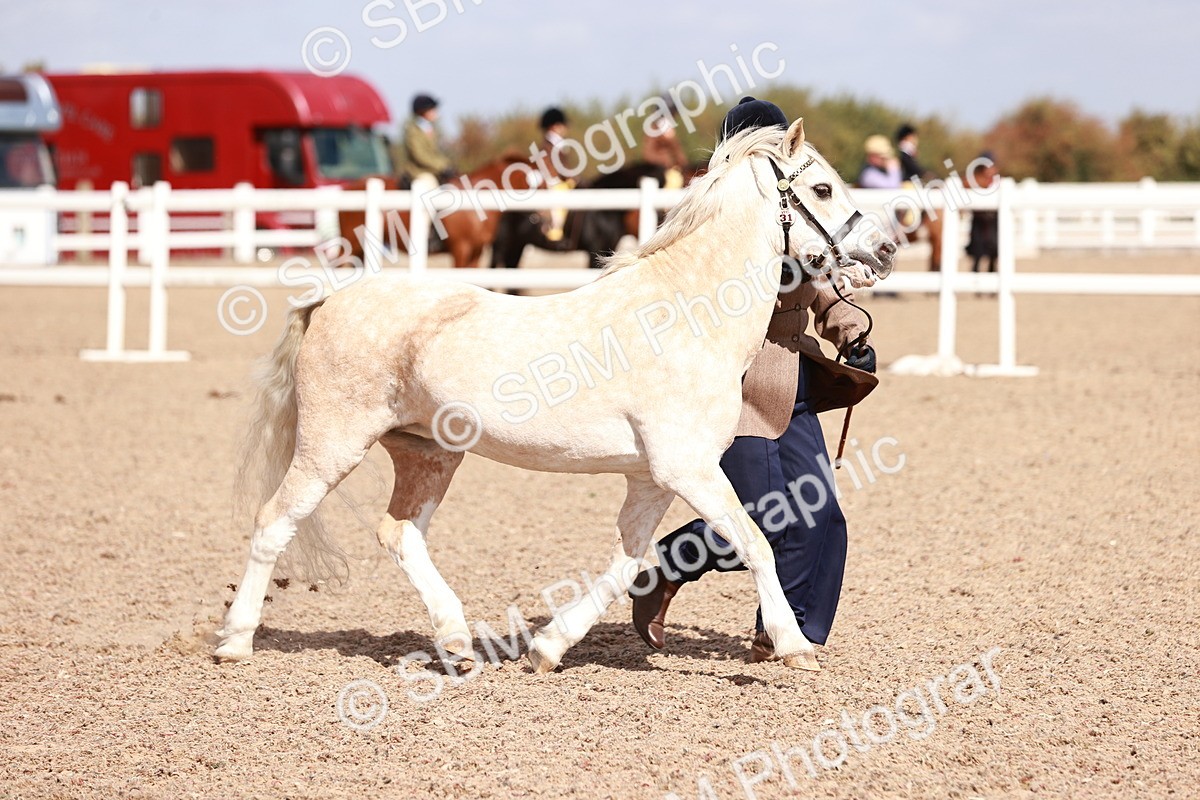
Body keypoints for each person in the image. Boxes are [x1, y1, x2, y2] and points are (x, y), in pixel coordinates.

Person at [630, 96, 879, 662]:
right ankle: (666, 569)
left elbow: (820, 287)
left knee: (823, 515)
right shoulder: (715, 214)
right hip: (733, 389)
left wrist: (851, 333)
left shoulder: (789, 218)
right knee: (769, 514)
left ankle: (790, 631)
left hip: (790, 382)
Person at [537, 106, 575, 242]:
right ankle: (555, 231)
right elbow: (559, 168)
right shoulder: (550, 145)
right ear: (555, 126)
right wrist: (571, 177)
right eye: (562, 125)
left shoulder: (555, 144)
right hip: (552, 182)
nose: (564, 128)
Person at [400, 93, 454, 184]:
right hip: (419, 172)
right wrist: (441, 166)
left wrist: (447, 164)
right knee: (429, 182)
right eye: (432, 109)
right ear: (423, 111)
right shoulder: (413, 131)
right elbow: (420, 155)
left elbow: (435, 153)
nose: (435, 112)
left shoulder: (431, 129)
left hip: (434, 171)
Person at [642, 98, 688, 189]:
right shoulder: (653, 131)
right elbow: (648, 154)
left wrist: (684, 165)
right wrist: (667, 163)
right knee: (674, 181)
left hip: (673, 170)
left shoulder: (669, 130)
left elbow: (678, 153)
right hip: (659, 173)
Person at [966, 151, 1000, 273]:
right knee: (977, 250)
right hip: (979, 220)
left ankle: (992, 273)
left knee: (994, 250)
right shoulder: (975, 181)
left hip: (992, 220)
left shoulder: (997, 182)